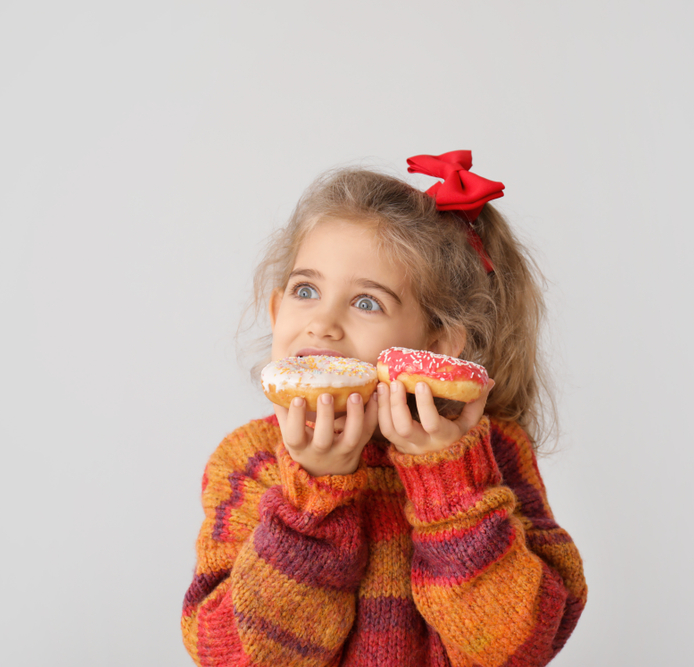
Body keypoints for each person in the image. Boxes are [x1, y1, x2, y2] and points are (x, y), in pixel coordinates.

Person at [181, 151, 587, 666]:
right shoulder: (250, 460)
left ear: (438, 344)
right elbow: (234, 656)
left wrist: (449, 482)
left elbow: (517, 650)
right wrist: (313, 497)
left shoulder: (495, 453)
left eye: (366, 302)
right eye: (307, 291)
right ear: (277, 310)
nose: (322, 324)